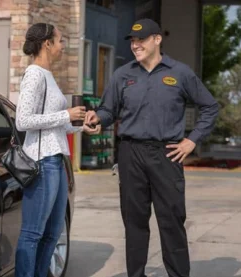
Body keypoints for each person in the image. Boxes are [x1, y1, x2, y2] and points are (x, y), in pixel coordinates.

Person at [85, 18, 219, 277]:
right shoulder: (122, 75)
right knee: (134, 223)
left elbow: (210, 106)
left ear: (157, 39)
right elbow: (107, 110)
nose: (135, 45)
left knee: (171, 221)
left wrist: (192, 140)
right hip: (130, 153)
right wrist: (96, 119)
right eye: (133, 41)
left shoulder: (180, 73)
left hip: (166, 154)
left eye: (141, 39)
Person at [14, 22, 98, 277]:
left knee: (52, 234)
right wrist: (66, 114)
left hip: (57, 160)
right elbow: (23, 121)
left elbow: (55, 126)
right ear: (47, 43)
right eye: (60, 41)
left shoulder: (48, 75)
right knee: (32, 234)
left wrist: (81, 127)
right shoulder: (34, 75)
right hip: (42, 162)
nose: (63, 46)